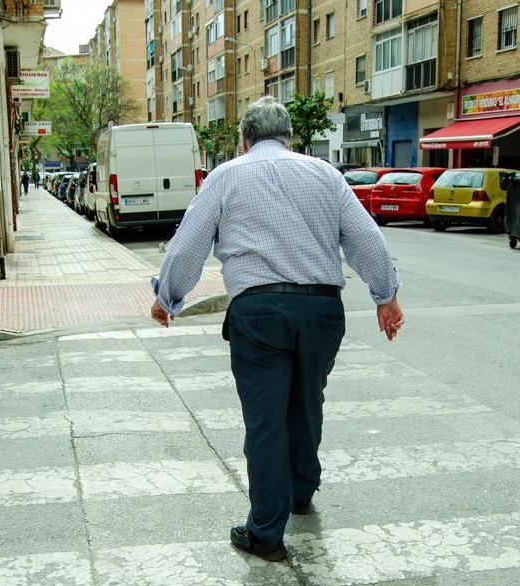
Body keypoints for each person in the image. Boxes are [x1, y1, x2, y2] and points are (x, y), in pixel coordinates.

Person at [150, 96, 403, 562]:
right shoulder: (325, 174)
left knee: (266, 419)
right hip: (322, 310)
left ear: (244, 138)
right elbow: (367, 237)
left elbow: (188, 245)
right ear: (289, 137)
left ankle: (266, 530)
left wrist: (168, 297)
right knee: (307, 400)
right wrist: (385, 295)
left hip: (260, 310)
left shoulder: (227, 175)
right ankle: (301, 491)